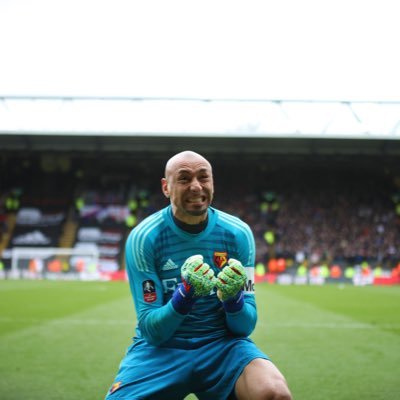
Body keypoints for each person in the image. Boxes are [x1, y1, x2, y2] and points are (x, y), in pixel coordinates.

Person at [105, 151, 292, 400]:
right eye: (184, 179)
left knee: (275, 394)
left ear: (212, 182)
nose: (196, 186)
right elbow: (152, 330)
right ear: (166, 187)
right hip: (162, 350)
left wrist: (233, 299)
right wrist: (186, 294)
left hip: (221, 346)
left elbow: (245, 326)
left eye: (203, 177)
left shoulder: (238, 233)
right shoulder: (144, 238)